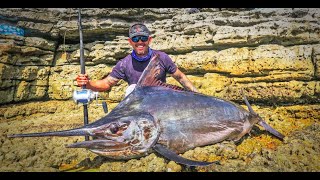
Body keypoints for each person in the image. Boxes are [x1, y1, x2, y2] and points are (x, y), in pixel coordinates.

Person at [76, 23, 198, 97]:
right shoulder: (124, 64)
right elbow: (107, 83)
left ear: (149, 40)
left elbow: (180, 77)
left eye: (143, 38)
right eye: (135, 39)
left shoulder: (162, 57)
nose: (140, 42)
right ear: (130, 42)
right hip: (138, 104)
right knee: (131, 88)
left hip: (161, 100)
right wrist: (88, 84)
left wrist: (197, 95)